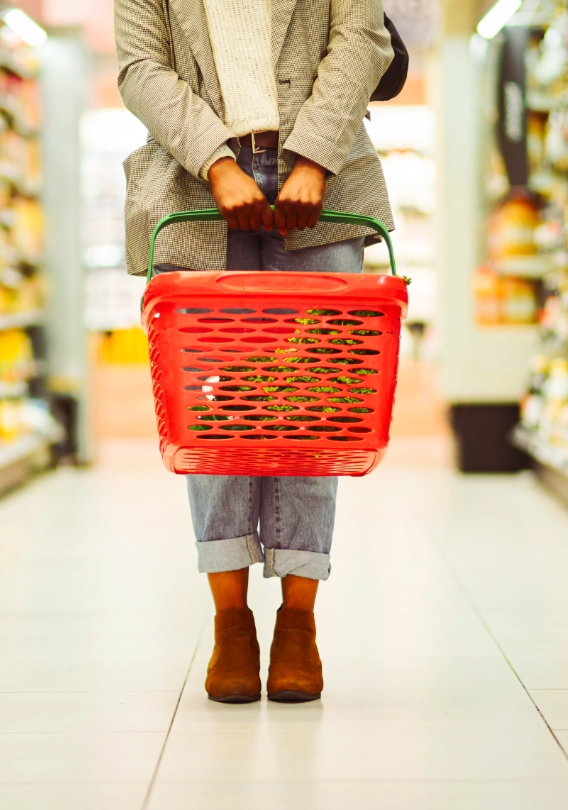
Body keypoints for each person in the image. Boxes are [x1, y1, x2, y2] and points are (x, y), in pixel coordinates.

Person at [116, 0, 394, 703]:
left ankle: (298, 622)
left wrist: (315, 156)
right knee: (215, 415)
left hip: (324, 184)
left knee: (314, 409)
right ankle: (230, 621)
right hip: (193, 180)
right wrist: (214, 160)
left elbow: (360, 39)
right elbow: (139, 66)